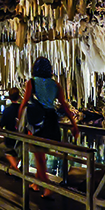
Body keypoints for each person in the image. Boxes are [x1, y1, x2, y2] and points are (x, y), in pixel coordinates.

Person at [18, 57, 80, 199]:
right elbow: (64, 105)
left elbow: (24, 103)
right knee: (41, 154)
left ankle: (47, 188)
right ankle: (36, 184)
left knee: (39, 156)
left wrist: (19, 121)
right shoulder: (56, 85)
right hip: (51, 121)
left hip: (38, 123)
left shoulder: (31, 83)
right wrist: (74, 124)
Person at [0, 88, 21, 171]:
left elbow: (2, 123)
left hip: (9, 136)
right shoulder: (22, 110)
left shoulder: (7, 110)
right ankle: (13, 169)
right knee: (17, 153)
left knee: (8, 153)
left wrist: (1, 128)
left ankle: (15, 169)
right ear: (19, 97)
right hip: (21, 135)